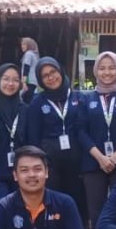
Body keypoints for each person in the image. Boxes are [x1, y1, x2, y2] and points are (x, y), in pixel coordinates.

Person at [77, 50, 116, 229]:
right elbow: (80, 131)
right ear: (96, 70)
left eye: (112, 68)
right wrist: (101, 158)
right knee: (96, 214)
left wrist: (115, 157)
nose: (107, 72)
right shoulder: (86, 99)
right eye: (102, 68)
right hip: (93, 164)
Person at [24, 57, 85, 219]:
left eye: (53, 72)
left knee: (78, 204)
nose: (51, 77)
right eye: (45, 76)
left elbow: (85, 129)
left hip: (77, 163)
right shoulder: (37, 103)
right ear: (40, 80)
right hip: (51, 165)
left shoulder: (78, 98)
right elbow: (34, 137)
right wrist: (40, 164)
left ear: (61, 71)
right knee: (54, 206)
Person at [0, 63, 28, 206]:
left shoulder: (25, 109)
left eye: (15, 80)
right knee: (0, 208)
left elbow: (31, 142)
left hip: (22, 173)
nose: (10, 83)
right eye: (6, 79)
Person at [20, 37, 39, 102]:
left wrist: (24, 82)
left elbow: (26, 68)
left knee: (25, 100)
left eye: (24, 44)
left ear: (29, 45)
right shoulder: (34, 55)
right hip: (34, 82)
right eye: (22, 44)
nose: (22, 46)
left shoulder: (28, 54)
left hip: (28, 81)